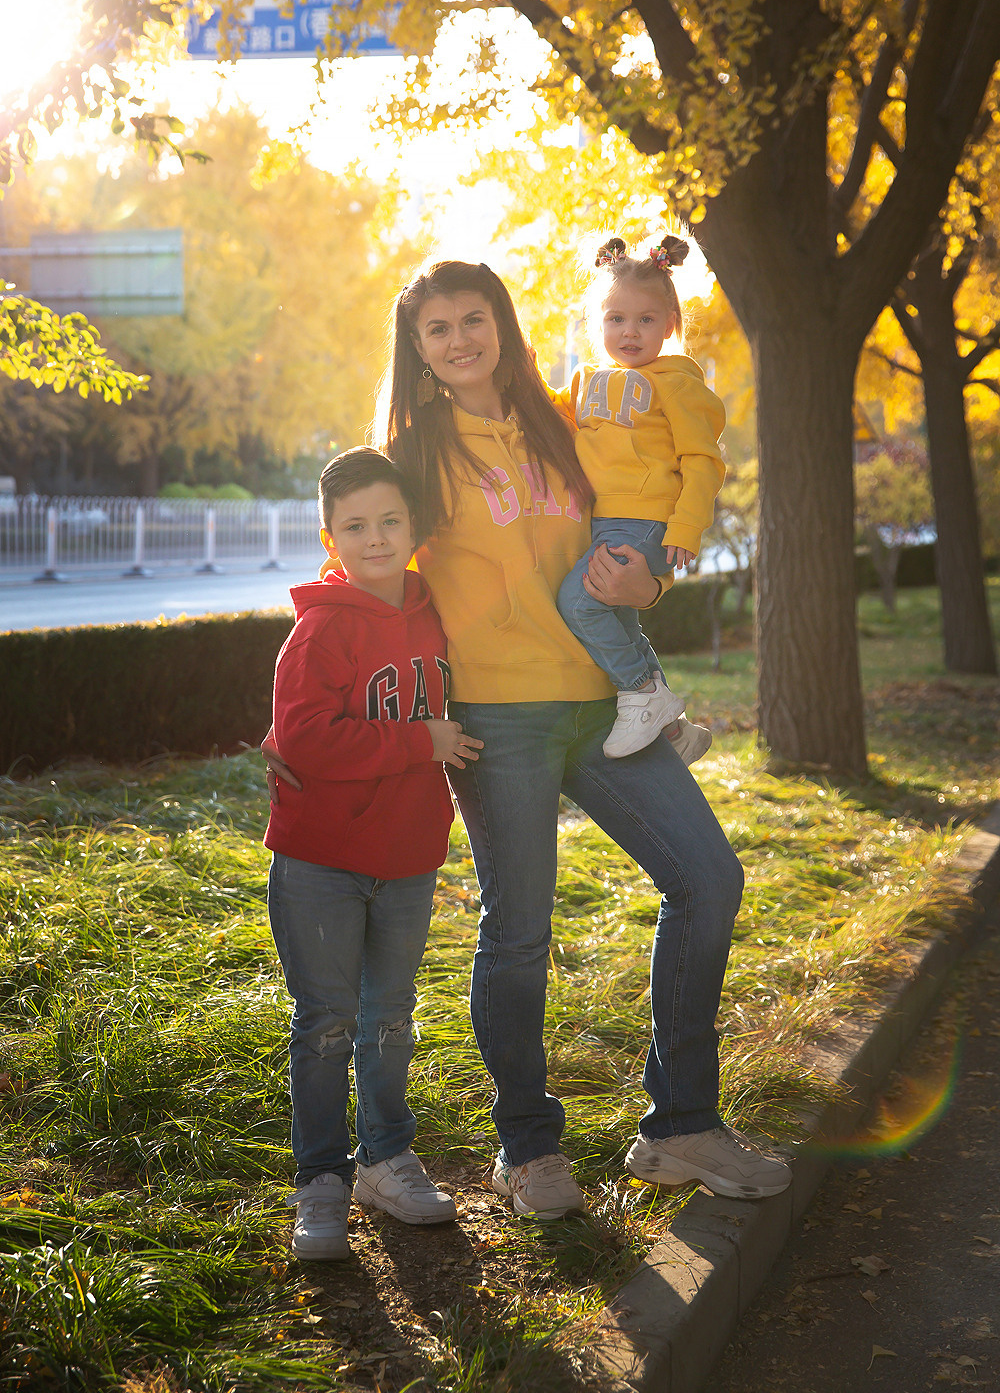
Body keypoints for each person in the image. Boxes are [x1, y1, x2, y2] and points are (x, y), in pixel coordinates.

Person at [268, 261, 790, 1217]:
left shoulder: (566, 415)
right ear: (418, 350)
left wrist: (651, 583)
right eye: (437, 329)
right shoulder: (413, 450)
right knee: (519, 933)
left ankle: (681, 1124)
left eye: (474, 319)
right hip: (497, 719)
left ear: (502, 325)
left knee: (709, 879)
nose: (460, 339)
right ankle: (527, 1145)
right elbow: (368, 556)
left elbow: (644, 504)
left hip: (603, 706)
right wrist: (327, 679)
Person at [264, 446, 483, 1259]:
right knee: (325, 1023)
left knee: (389, 1017)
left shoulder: (438, 614)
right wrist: (420, 740)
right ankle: (320, 1180)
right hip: (320, 861)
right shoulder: (320, 628)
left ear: (416, 527)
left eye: (390, 520)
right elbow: (305, 739)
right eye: (355, 526)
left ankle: (386, 1160)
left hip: (409, 856)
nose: (377, 537)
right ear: (330, 539)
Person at [556, 233, 725, 763]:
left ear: (669, 325)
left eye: (645, 320)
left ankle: (640, 693)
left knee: (578, 601)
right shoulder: (587, 380)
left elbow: (703, 460)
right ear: (597, 323)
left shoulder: (675, 382)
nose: (630, 331)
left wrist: (687, 527)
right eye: (616, 319)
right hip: (603, 521)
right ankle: (674, 729)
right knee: (620, 619)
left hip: (647, 521)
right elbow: (555, 416)